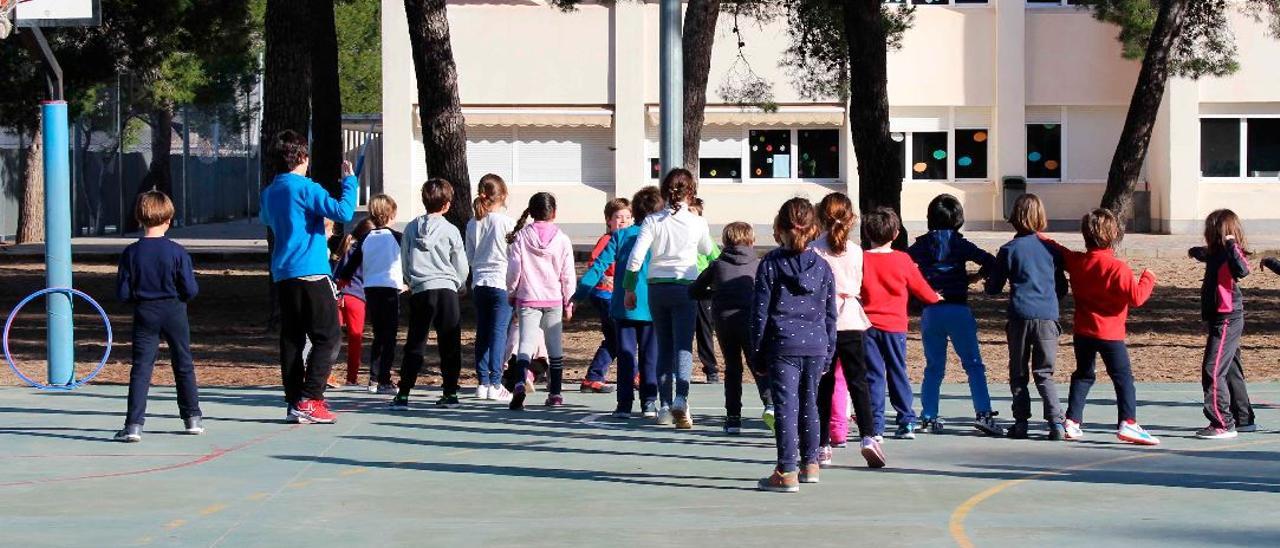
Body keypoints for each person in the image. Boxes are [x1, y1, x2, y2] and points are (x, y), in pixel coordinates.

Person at [260, 129, 357, 424]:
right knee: (327, 335)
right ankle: (311, 397)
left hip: (284, 272)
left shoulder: (270, 191)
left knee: (292, 337)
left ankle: (294, 400)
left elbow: (271, 220)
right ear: (302, 156)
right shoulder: (305, 187)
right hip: (312, 271)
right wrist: (350, 181)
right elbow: (344, 211)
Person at [1043, 209, 1159, 446]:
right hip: (1111, 334)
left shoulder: (1078, 262)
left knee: (1083, 375)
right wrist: (1148, 278)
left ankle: (1072, 421)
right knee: (1123, 378)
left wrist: (1038, 235)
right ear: (1113, 234)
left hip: (1083, 331)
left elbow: (1058, 249)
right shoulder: (1118, 268)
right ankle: (1128, 422)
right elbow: (1137, 298)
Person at [752, 198, 837, 492]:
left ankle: (787, 470)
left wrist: (757, 351)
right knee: (809, 404)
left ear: (779, 227)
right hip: (816, 344)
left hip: (782, 344)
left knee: (786, 407)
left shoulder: (770, 264)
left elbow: (760, 312)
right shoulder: (823, 267)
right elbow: (830, 314)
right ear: (813, 228)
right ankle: (810, 463)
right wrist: (828, 351)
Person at [623, 168, 716, 429]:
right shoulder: (697, 222)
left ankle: (664, 407)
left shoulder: (652, 221)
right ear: (691, 192)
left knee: (663, 347)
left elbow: (635, 258)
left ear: (664, 191)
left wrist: (629, 289)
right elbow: (710, 252)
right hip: (686, 287)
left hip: (656, 289)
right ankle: (681, 398)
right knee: (683, 347)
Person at [907, 194, 1002, 436]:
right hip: (958, 308)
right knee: (973, 364)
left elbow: (905, 263)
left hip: (932, 310)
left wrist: (921, 285)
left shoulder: (922, 245)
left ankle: (929, 416)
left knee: (934, 366)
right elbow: (990, 260)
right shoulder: (960, 244)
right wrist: (976, 277)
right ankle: (983, 412)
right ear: (958, 218)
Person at [113, 191, 203, 442]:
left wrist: (138, 299)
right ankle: (192, 418)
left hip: (145, 311)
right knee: (183, 363)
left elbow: (122, 292)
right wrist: (180, 298)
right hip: (174, 310)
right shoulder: (177, 252)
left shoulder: (131, 253)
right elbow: (191, 289)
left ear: (139, 218)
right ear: (169, 219)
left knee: (141, 368)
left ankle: (133, 426)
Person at [810, 192, 884, 468]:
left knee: (824, 386)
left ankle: (822, 445)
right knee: (858, 382)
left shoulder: (813, 250)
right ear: (851, 219)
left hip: (824, 321)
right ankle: (867, 436)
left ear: (820, 216)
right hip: (852, 319)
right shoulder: (856, 251)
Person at [577, 187, 665, 418]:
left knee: (626, 354)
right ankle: (648, 402)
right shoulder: (660, 236)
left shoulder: (621, 236)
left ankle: (624, 404)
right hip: (652, 306)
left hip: (624, 306)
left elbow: (598, 266)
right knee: (650, 356)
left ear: (634, 211)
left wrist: (579, 294)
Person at [985, 194, 1067, 440]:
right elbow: (1062, 287)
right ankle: (1056, 423)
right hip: (1047, 317)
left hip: (1020, 315)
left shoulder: (1009, 250)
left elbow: (994, 287)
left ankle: (1021, 423)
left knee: (1018, 372)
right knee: (1044, 373)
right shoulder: (1051, 249)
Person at [860, 207, 942, 440]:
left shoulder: (862, 259)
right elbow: (921, 289)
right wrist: (935, 297)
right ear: (896, 234)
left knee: (873, 375)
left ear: (867, 233)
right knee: (898, 371)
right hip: (894, 326)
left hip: (867, 325)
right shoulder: (903, 260)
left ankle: (875, 426)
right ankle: (906, 420)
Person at [391, 179, 468, 410]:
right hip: (446, 289)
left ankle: (404, 393)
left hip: (422, 290)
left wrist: (411, 281)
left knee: (416, 341)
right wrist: (460, 283)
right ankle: (450, 392)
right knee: (450, 342)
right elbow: (460, 263)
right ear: (446, 204)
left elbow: (404, 258)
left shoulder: (412, 228)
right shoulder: (451, 230)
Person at [690, 222, 767, 435]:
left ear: (725, 241)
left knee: (733, 368)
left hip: (725, 321)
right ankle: (770, 404)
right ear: (752, 241)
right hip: (752, 320)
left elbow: (694, 290)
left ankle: (733, 417)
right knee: (758, 364)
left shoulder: (717, 264)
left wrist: (714, 294)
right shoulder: (759, 264)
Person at [1188, 209, 1257, 439]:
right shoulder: (1215, 253)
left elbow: (1243, 269)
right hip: (1219, 317)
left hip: (1227, 318)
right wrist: (1196, 252)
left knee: (1213, 369)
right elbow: (1205, 254)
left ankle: (1222, 423)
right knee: (1231, 369)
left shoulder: (1230, 252)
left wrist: (1231, 244)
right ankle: (1243, 418)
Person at [506, 192, 576, 410]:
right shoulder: (562, 239)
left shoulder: (521, 237)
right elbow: (568, 273)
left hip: (528, 298)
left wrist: (512, 291)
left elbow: (514, 268)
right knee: (555, 347)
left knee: (525, 343)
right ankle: (555, 393)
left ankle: (519, 382)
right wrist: (569, 300)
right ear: (554, 213)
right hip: (553, 298)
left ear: (531, 211)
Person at [335, 194, 403, 395]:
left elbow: (350, 265)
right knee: (388, 336)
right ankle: (383, 379)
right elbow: (409, 260)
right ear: (391, 214)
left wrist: (343, 279)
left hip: (371, 289)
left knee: (378, 334)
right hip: (389, 288)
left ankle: (374, 378)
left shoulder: (365, 238)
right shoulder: (397, 238)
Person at [465, 174, 516, 402]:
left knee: (483, 333)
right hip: (500, 282)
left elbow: (470, 255)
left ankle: (483, 382)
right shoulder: (506, 222)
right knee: (498, 334)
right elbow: (513, 255)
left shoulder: (473, 222)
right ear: (502, 195)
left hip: (479, 283)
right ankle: (495, 383)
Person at [580, 197, 632, 394]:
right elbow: (594, 263)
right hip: (605, 295)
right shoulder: (607, 240)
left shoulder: (630, 240)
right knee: (621, 335)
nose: (623, 221)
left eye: (627, 217)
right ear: (609, 220)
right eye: (618, 217)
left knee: (614, 339)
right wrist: (604, 277)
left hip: (617, 295)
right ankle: (634, 374)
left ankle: (593, 377)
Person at [333, 218, 375, 387]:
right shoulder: (365, 251)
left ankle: (324, 373)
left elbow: (336, 273)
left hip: (338, 295)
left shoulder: (346, 247)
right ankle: (351, 378)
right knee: (355, 339)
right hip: (356, 297)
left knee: (331, 339)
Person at [688, 198, 722, 384]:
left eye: (695, 212)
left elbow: (717, 261)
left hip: (703, 290)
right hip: (684, 285)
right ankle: (677, 368)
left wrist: (712, 283)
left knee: (704, 330)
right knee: (681, 330)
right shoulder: (680, 237)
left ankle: (711, 369)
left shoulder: (706, 239)